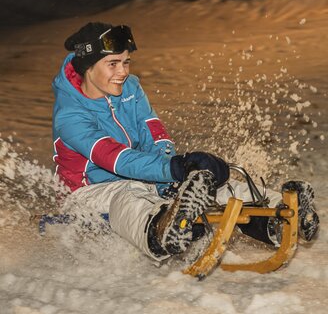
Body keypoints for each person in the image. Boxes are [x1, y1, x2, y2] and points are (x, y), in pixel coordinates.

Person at [52, 22, 319, 261]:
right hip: (87, 195)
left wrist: (175, 167)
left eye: (126, 62)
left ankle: (278, 214)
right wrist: (172, 169)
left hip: (139, 176)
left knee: (209, 182)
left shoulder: (130, 88)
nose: (122, 71)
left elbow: (155, 133)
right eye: (113, 63)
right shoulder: (70, 116)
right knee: (128, 194)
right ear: (88, 67)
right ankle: (163, 230)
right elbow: (116, 158)